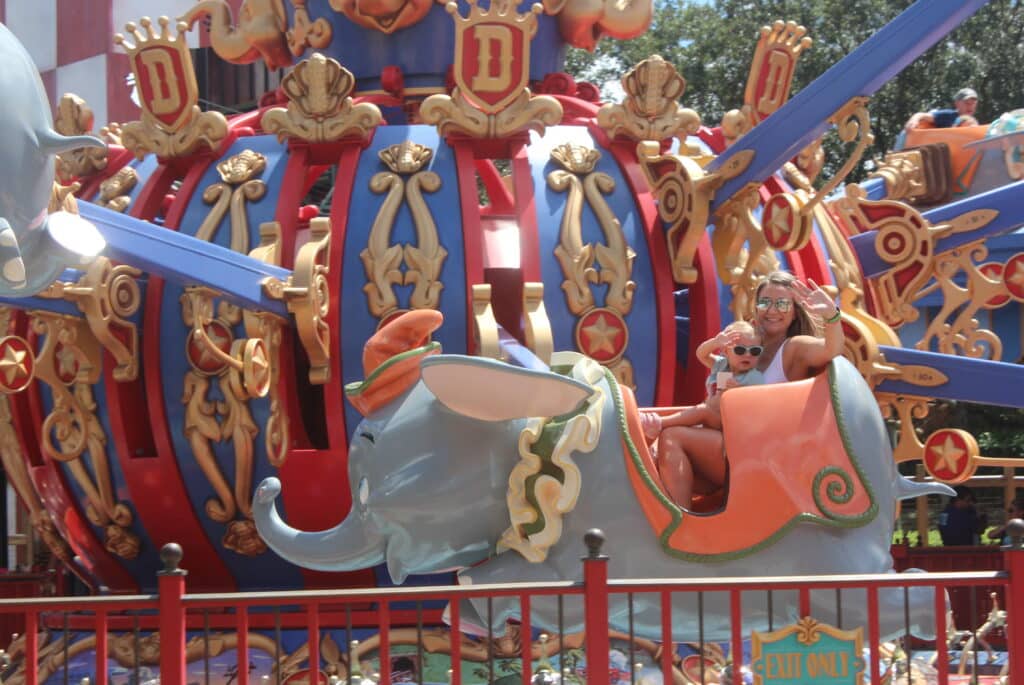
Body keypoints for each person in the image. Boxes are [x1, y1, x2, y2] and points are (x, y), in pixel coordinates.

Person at [651, 271, 844, 509]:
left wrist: (831, 316)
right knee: (651, 454)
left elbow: (831, 349)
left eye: (782, 304)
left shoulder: (793, 348)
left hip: (758, 454)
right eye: (765, 302)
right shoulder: (747, 346)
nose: (772, 310)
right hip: (728, 442)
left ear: (795, 311)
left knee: (672, 437)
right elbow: (709, 364)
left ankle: (679, 524)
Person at [643, 321, 764, 437]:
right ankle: (654, 431)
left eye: (755, 351)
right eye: (740, 350)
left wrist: (738, 391)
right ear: (726, 351)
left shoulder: (754, 377)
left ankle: (661, 423)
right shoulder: (721, 365)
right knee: (691, 418)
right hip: (713, 418)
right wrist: (715, 342)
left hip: (731, 424)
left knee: (702, 410)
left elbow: (757, 405)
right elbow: (701, 354)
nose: (748, 355)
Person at [905, 87, 979, 131]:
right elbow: (921, 115)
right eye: (967, 103)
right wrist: (914, 120)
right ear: (957, 104)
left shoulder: (973, 122)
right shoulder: (948, 115)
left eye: (973, 104)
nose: (970, 106)